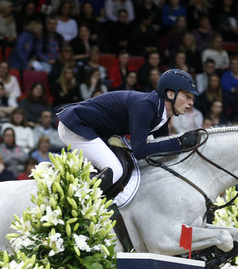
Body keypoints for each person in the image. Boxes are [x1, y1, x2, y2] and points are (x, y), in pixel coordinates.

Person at [56, 69, 200, 189]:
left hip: (96, 131)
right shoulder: (146, 108)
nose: (191, 102)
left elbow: (161, 146)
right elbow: (140, 150)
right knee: (115, 170)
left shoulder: (162, 113)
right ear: (170, 94)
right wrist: (179, 143)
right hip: (76, 126)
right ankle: (82, 207)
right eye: (187, 96)